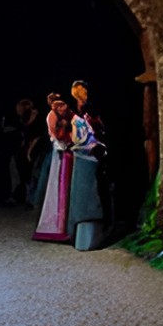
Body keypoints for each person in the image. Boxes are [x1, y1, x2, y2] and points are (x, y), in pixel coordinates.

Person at [68, 77, 108, 250]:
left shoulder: (87, 114)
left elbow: (95, 131)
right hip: (85, 154)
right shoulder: (80, 116)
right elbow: (79, 137)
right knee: (83, 193)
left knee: (88, 192)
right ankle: (82, 232)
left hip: (90, 154)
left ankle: (90, 233)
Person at [32, 93, 74, 242]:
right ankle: (51, 225)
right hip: (57, 153)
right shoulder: (52, 116)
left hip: (66, 152)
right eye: (58, 105)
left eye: (62, 104)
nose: (61, 107)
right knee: (53, 185)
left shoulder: (68, 116)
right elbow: (57, 135)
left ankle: (64, 224)